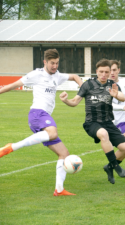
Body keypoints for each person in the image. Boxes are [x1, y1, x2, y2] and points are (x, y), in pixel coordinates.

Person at [0, 49, 83, 196]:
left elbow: (75, 76)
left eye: (57, 63)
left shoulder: (57, 75)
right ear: (45, 62)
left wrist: (82, 87)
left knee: (64, 154)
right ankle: (11, 147)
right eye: (52, 63)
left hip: (43, 117)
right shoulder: (36, 74)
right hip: (37, 114)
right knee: (53, 132)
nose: (55, 66)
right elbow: (13, 85)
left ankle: (59, 189)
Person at [59, 59, 125, 184]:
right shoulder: (88, 84)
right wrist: (66, 100)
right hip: (92, 123)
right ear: (96, 71)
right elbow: (75, 102)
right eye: (101, 71)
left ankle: (109, 167)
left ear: (109, 73)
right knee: (103, 134)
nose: (104, 74)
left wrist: (115, 95)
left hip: (108, 122)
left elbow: (122, 97)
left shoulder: (112, 85)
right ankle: (116, 166)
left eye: (106, 72)